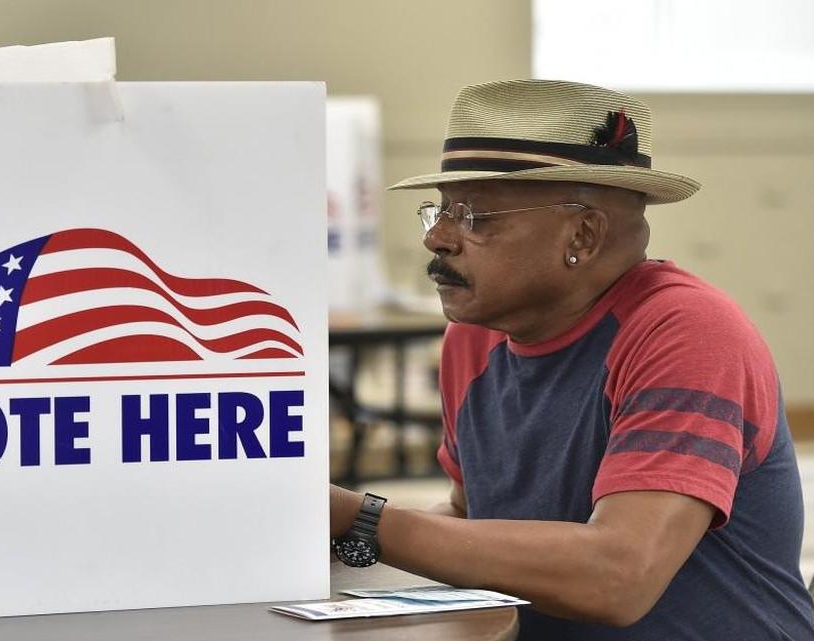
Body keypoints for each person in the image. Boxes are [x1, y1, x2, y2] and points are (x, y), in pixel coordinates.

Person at [328, 79, 814, 640]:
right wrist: (324, 548)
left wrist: (361, 519)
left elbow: (618, 576)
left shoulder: (687, 334)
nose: (436, 237)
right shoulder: (475, 339)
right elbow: (471, 522)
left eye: (475, 217)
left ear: (582, 232)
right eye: (439, 210)